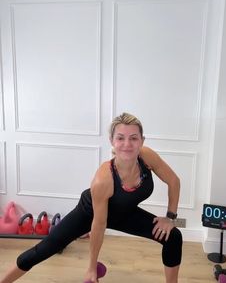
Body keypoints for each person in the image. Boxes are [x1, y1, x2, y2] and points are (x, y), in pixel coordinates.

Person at [0, 112, 182, 283]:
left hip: (124, 212)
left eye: (133, 138)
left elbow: (174, 181)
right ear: (112, 140)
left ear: (142, 141)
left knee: (173, 236)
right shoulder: (103, 179)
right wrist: (91, 267)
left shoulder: (147, 157)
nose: (127, 144)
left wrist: (170, 217)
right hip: (89, 213)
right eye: (120, 138)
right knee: (44, 249)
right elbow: (99, 224)